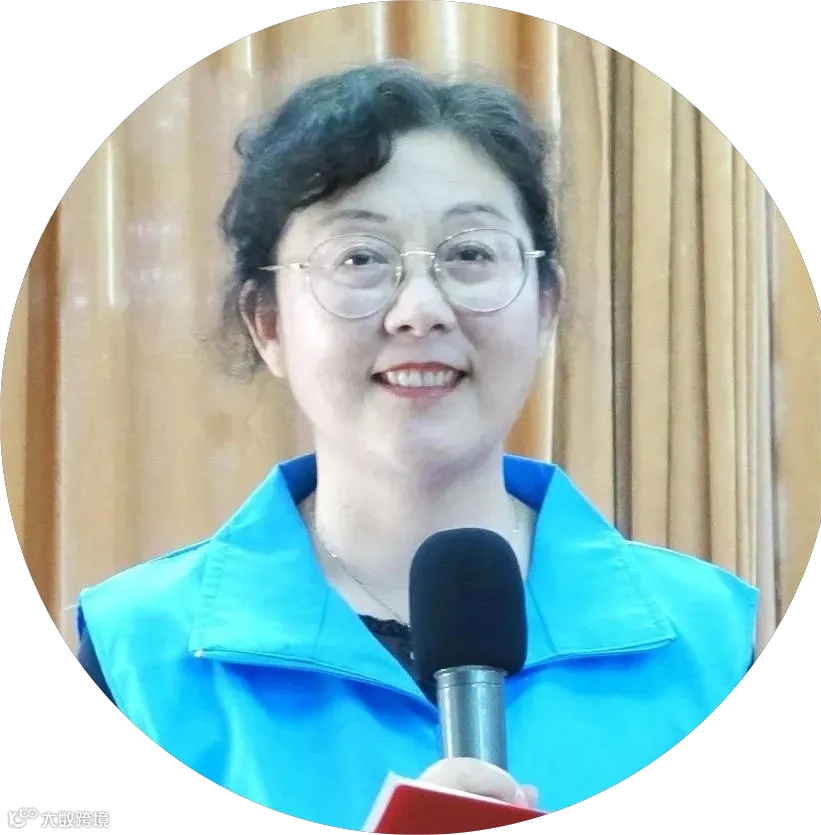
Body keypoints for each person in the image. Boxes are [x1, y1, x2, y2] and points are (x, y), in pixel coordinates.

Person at [76, 61, 757, 829]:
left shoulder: (710, 642)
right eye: (360, 258)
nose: (420, 309)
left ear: (546, 305)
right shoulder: (139, 656)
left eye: (470, 253)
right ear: (267, 323)